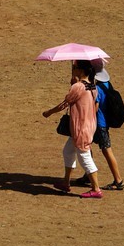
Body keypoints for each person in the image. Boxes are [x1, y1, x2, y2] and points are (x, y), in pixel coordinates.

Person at [42, 59, 103, 198]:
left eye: (75, 67)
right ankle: (66, 181)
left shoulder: (78, 87)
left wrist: (49, 112)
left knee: (84, 156)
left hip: (80, 127)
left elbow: (64, 104)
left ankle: (96, 189)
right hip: (88, 125)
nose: (73, 69)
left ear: (80, 70)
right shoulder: (92, 87)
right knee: (68, 151)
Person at [73, 64, 124, 191]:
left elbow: (95, 108)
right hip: (104, 123)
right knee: (88, 147)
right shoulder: (108, 85)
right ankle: (88, 175)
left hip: (99, 125)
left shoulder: (97, 88)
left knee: (106, 151)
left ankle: (118, 181)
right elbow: (119, 103)